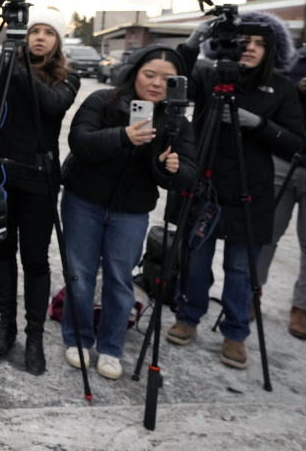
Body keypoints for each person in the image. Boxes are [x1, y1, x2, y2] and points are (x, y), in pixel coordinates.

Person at [166, 11, 303, 369]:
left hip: (250, 188)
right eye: (245, 41)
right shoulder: (209, 76)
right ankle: (188, 315)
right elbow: (174, 78)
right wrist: (193, 44)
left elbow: (294, 143)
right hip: (206, 182)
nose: (250, 48)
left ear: (272, 49)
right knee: (195, 259)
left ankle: (235, 332)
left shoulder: (281, 87)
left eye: (259, 43)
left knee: (242, 269)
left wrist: (258, 124)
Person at [59, 45, 197, 380]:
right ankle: (78, 337)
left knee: (120, 280)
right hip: (84, 201)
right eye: (149, 74)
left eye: (166, 79)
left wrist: (170, 168)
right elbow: (80, 142)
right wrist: (123, 136)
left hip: (131, 211)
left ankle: (110, 347)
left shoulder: (176, 121)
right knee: (79, 273)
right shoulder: (103, 100)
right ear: (135, 71)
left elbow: (187, 173)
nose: (156, 84)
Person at [0, 0, 80, 374]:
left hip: (40, 180)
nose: (40, 38)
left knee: (33, 259)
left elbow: (50, 104)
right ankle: (7, 327)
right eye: (35, 31)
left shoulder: (67, 77)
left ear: (58, 42)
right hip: (2, 176)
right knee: (1, 253)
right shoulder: (8, 64)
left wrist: (14, 67)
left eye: (48, 33)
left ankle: (33, 337)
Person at [257, 18, 306, 340]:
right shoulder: (301, 60)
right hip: (285, 158)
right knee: (267, 232)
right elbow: (276, 95)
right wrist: (301, 88)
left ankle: (303, 306)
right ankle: (250, 293)